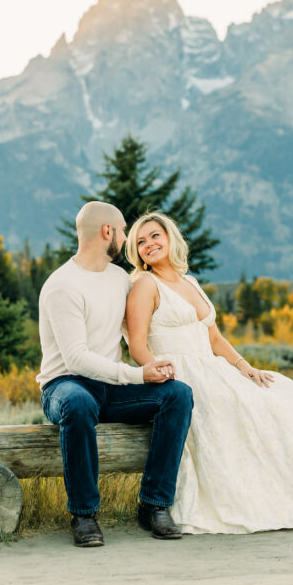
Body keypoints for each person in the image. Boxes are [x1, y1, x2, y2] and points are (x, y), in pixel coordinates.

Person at [124, 212, 293, 534]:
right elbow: (137, 345)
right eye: (140, 242)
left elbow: (214, 338)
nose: (148, 245)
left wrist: (244, 366)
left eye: (155, 236)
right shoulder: (145, 284)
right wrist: (160, 375)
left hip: (212, 366)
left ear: (170, 238)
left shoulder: (190, 282)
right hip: (179, 374)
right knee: (250, 408)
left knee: (291, 395)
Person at [38, 201, 194, 547]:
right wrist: (138, 375)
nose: (126, 239)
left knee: (178, 395)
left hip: (111, 389)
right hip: (65, 386)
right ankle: (84, 514)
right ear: (106, 231)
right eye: (124, 231)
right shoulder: (62, 285)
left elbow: (142, 324)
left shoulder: (120, 279)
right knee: (78, 403)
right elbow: (76, 360)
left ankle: (154, 505)